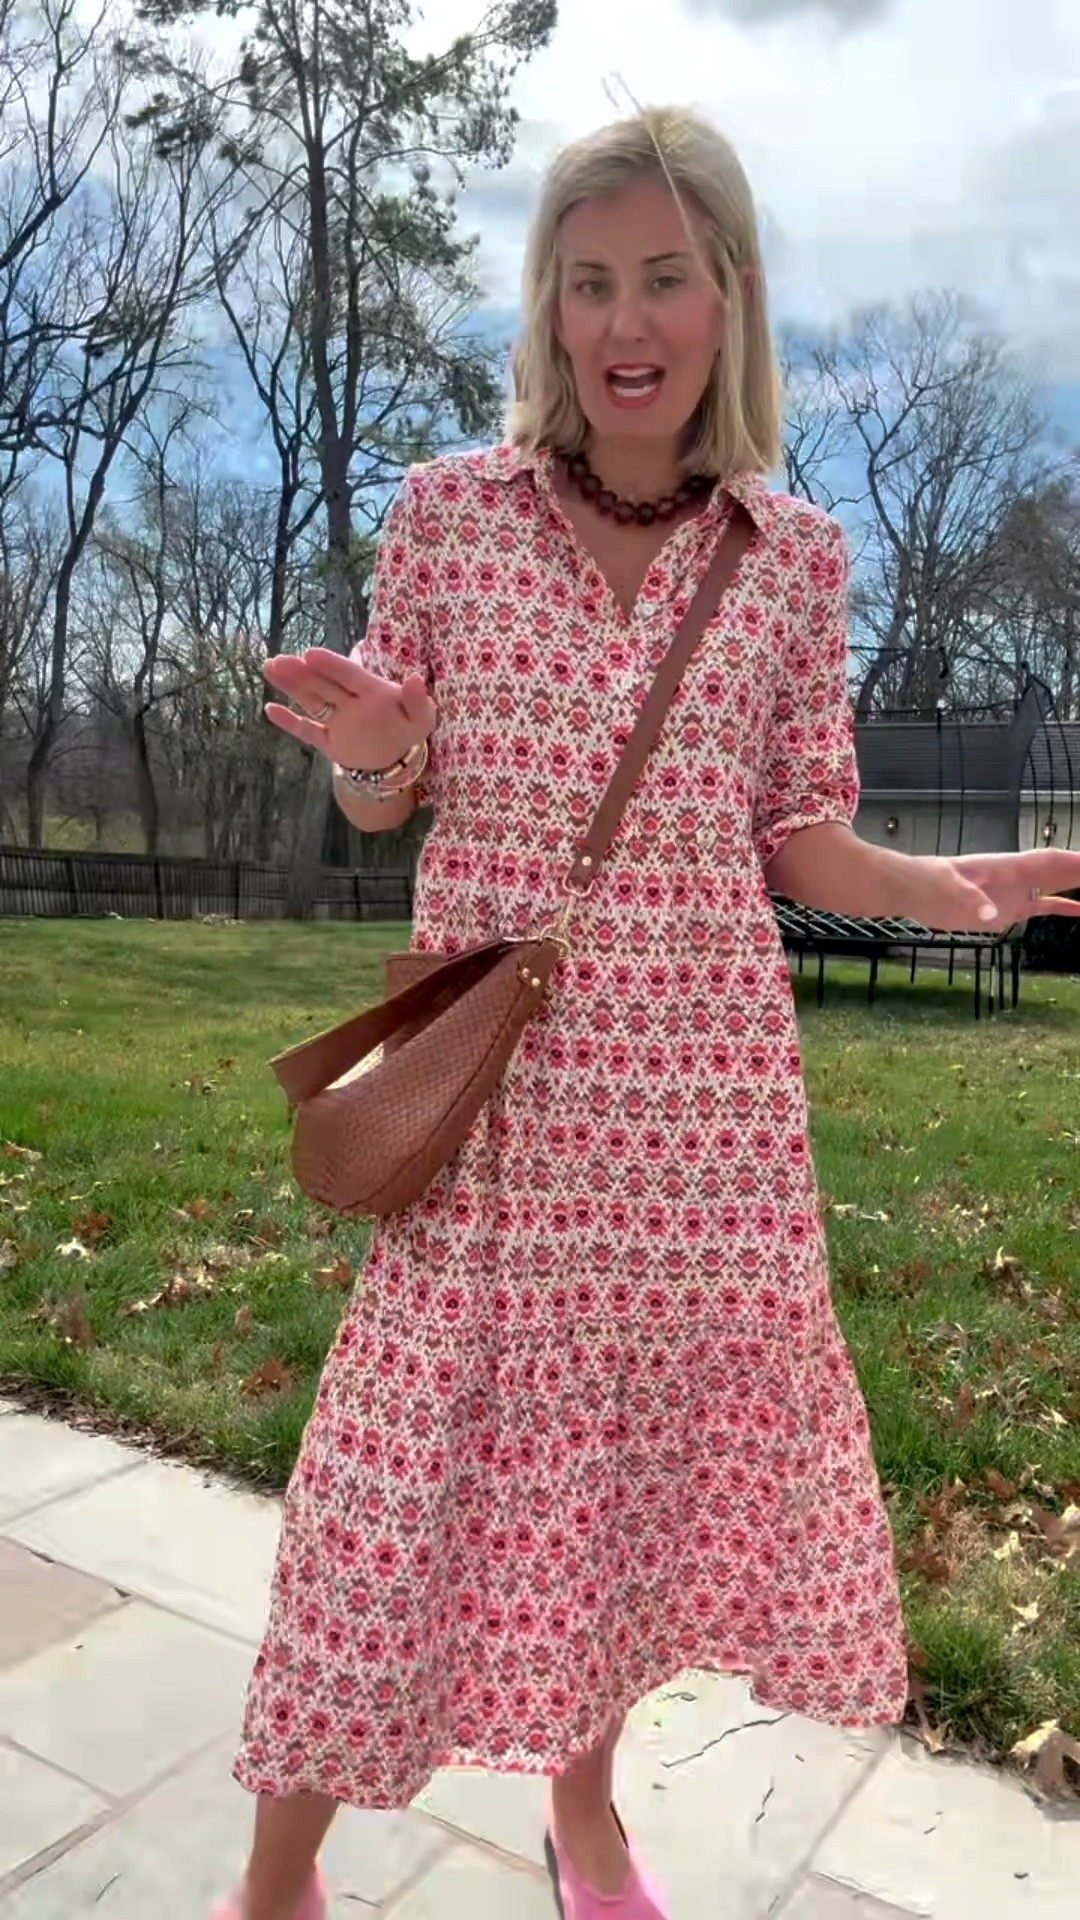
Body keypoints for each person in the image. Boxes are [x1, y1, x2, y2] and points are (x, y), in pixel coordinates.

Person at [220, 106, 1080, 1920]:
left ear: (728, 300)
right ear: (548, 302)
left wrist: (952, 888)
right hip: (497, 1110)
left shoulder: (795, 554)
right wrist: (380, 761)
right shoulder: (451, 514)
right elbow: (391, 795)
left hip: (702, 1118)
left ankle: (585, 1816)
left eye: (664, 278)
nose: (626, 316)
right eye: (589, 277)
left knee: (626, 1509)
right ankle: (276, 1875)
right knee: (380, 1501)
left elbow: (806, 836)